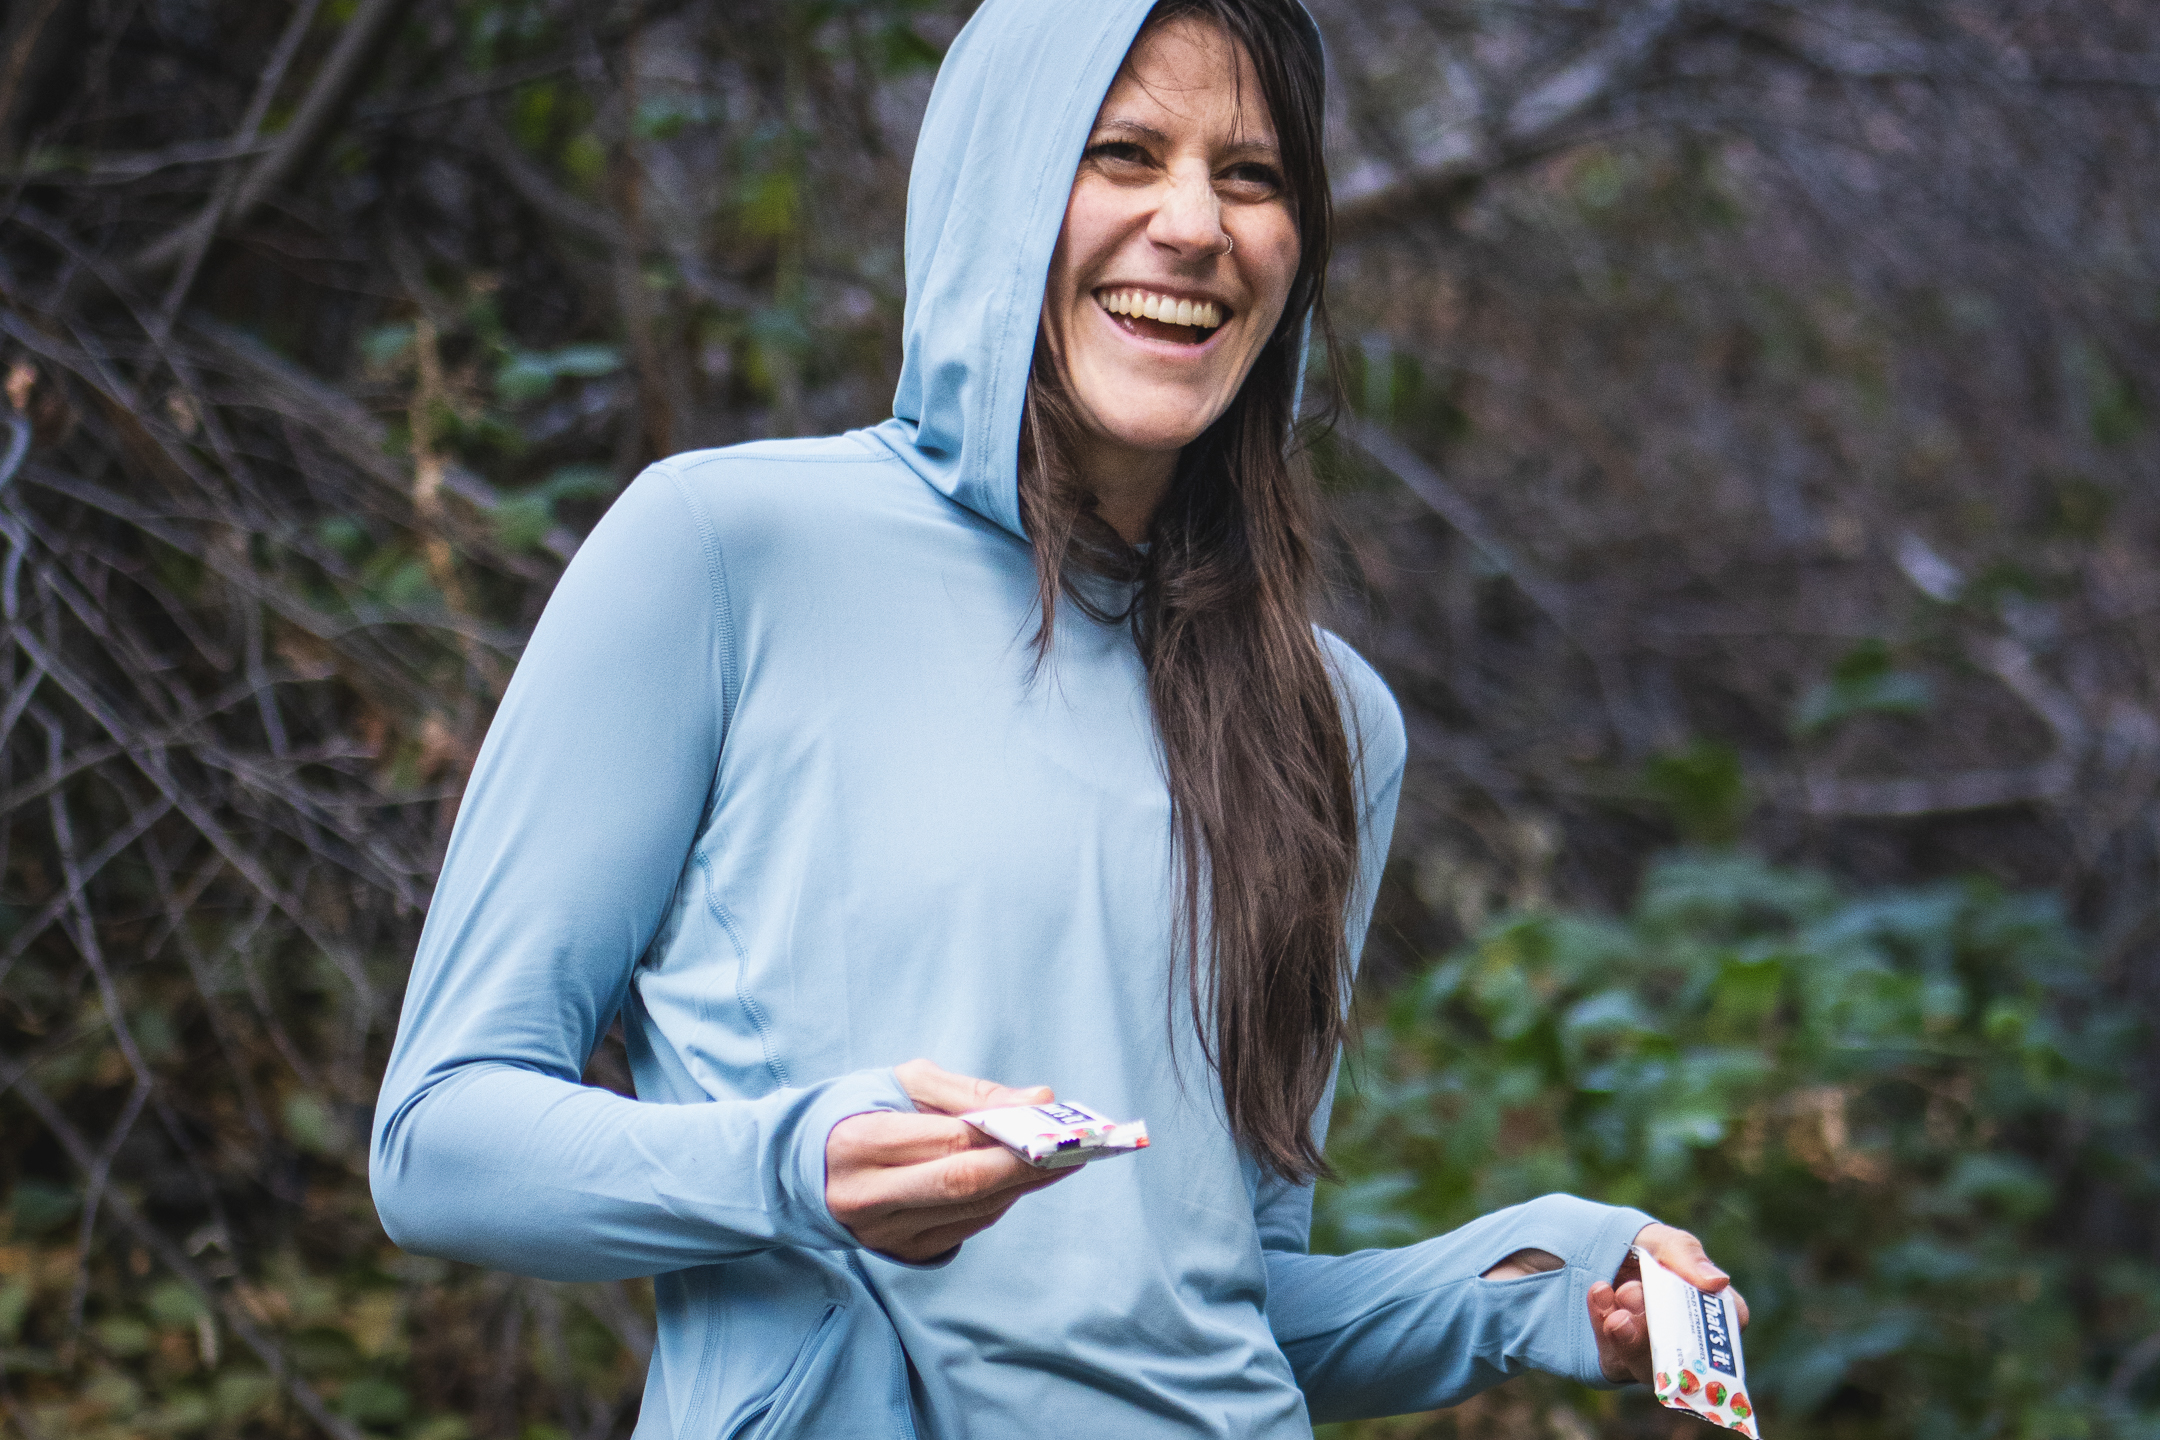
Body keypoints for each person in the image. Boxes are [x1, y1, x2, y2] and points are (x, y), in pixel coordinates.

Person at [370, 1, 1744, 1435]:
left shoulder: (1332, 722)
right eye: (1124, 153)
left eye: (1253, 176)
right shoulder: (726, 550)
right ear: (1000, 183)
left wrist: (1524, 1291)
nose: (1194, 224)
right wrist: (795, 1167)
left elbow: (1215, 1301)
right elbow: (440, 1143)